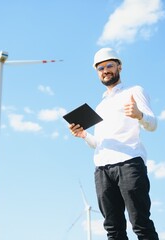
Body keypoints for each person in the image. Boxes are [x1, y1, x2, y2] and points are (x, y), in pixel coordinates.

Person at [68, 48, 159, 240]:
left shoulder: (135, 91)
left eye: (109, 65)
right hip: (102, 170)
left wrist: (139, 115)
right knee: (113, 230)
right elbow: (99, 143)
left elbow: (153, 124)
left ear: (119, 66)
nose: (105, 70)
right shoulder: (101, 105)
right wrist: (84, 135)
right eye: (100, 68)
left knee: (141, 223)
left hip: (129, 163)